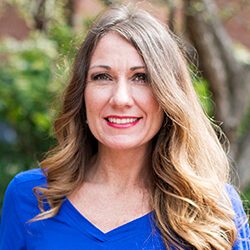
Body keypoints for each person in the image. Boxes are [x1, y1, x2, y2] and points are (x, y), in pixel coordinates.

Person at [0, 4, 249, 250]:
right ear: (82, 93)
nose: (120, 99)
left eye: (141, 78)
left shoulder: (213, 211)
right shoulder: (30, 197)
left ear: (169, 95)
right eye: (102, 77)